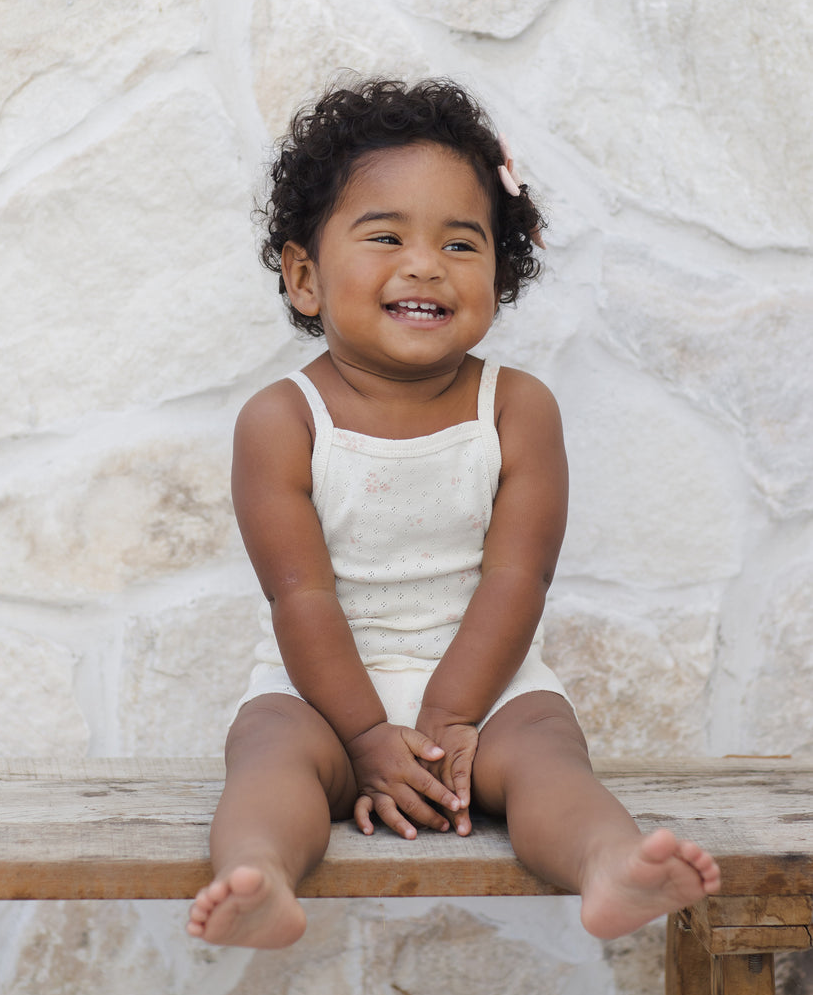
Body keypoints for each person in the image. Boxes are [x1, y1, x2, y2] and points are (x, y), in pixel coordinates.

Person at [187, 77, 720, 949]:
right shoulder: (282, 421)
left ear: (499, 275)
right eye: (385, 236)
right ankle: (259, 873)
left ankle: (608, 862)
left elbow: (519, 577)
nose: (425, 263)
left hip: (486, 686)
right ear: (304, 275)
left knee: (547, 752)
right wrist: (364, 734)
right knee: (268, 753)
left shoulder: (516, 408)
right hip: (320, 690)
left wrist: (447, 719)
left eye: (460, 242)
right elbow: (300, 597)